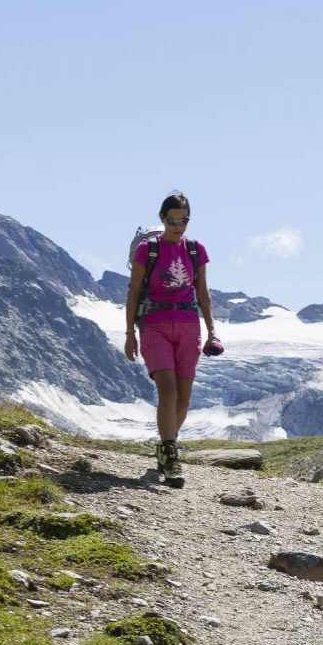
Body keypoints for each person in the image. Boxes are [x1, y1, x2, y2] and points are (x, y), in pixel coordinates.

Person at [123, 191, 216, 487]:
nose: (179, 226)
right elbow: (133, 292)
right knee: (168, 390)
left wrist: (212, 330)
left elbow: (203, 292)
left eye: (184, 220)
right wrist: (129, 334)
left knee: (184, 398)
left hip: (188, 324)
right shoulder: (147, 250)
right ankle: (172, 455)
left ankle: (165, 447)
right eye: (174, 220)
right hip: (154, 324)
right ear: (163, 218)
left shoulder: (195, 250)